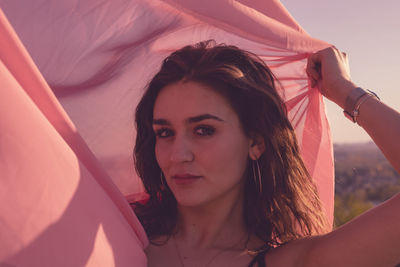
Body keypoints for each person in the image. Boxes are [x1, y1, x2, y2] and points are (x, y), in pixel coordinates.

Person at [131, 40, 400, 267]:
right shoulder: (121, 231)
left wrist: (344, 89)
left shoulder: (298, 262)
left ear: (256, 143)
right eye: (165, 133)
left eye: (203, 130)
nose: (178, 155)